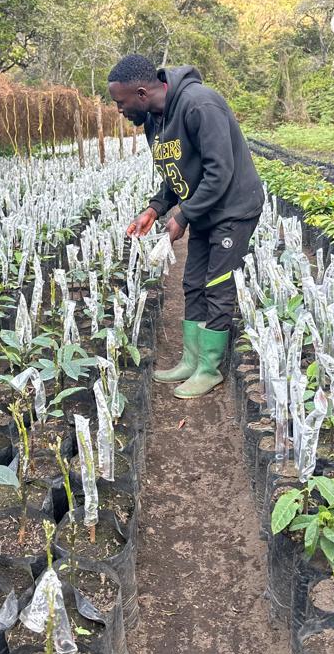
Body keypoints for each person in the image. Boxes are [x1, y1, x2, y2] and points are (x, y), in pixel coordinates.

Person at [109, 54, 264, 399]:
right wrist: (155, 208)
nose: (119, 109)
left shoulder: (200, 105)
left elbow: (219, 172)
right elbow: (174, 173)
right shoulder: (154, 121)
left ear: (141, 93)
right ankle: (190, 360)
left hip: (234, 208)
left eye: (121, 102)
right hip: (205, 209)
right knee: (192, 282)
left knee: (217, 284)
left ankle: (209, 370)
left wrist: (182, 216)